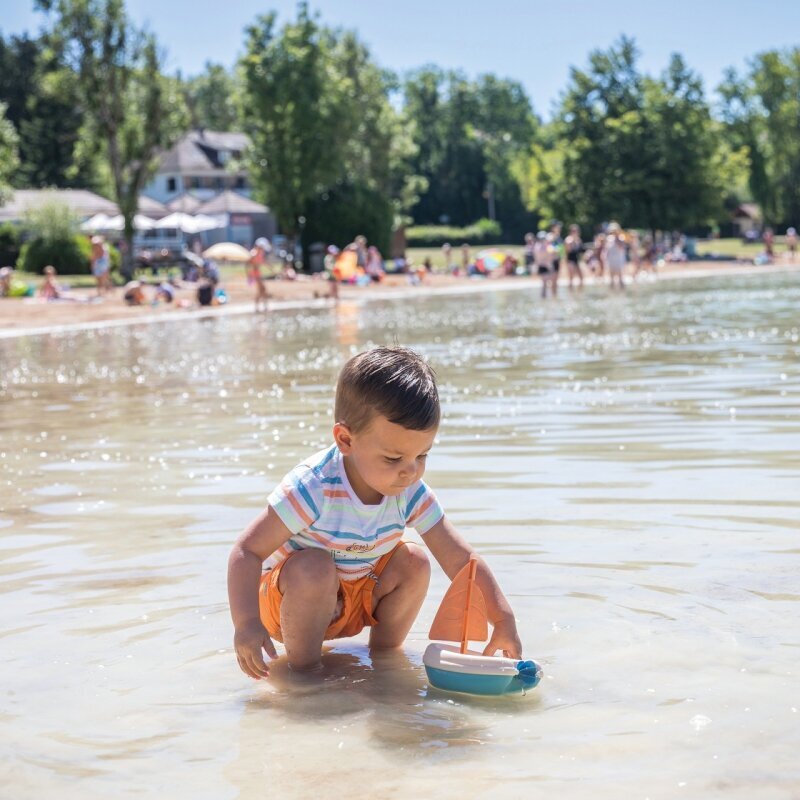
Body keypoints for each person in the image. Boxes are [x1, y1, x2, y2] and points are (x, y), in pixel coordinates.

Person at [227, 346, 523, 677]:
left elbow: (460, 559)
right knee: (314, 567)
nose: (410, 472)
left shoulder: (408, 491)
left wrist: (502, 619)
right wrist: (247, 624)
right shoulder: (314, 487)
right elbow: (247, 550)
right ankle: (305, 678)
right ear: (345, 439)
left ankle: (386, 665)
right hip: (291, 605)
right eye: (394, 459)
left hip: (357, 599)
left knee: (415, 560)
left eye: (422, 456)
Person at [247, 237, 271, 312]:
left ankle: (260, 307)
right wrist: (249, 275)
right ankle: (263, 306)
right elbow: (248, 264)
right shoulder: (253, 253)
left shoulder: (260, 253)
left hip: (258, 273)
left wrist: (271, 269)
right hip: (255, 274)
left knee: (261, 290)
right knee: (263, 289)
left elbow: (263, 262)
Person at [605, 222, 627, 291]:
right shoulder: (609, 239)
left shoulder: (621, 238)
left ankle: (622, 291)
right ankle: (612, 292)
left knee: (620, 277)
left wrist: (616, 238)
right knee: (611, 278)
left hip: (619, 260)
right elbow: (607, 250)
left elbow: (621, 248)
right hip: (611, 260)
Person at [533, 231, 553, 299]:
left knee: (545, 284)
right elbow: (545, 257)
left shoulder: (538, 246)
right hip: (544, 266)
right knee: (545, 284)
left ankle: (544, 297)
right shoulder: (542, 246)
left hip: (543, 266)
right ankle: (544, 297)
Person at [564, 225, 583, 290]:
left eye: (576, 231)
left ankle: (579, 292)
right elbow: (567, 251)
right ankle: (571, 291)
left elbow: (580, 251)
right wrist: (573, 243)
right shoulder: (568, 240)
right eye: (574, 231)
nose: (575, 232)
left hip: (576, 260)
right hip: (570, 260)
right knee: (571, 277)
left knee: (581, 277)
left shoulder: (579, 240)